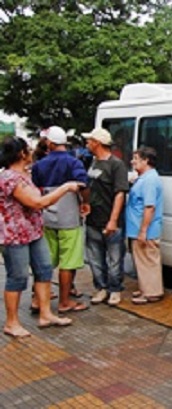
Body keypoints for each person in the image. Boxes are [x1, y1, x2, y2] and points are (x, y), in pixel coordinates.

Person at [0, 137, 80, 337]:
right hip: (14, 235)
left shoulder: (24, 174)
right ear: (21, 154)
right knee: (17, 277)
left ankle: (46, 314)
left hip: (33, 232)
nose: (31, 153)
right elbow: (37, 203)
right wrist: (65, 187)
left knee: (44, 269)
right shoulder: (10, 178)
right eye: (27, 150)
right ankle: (11, 323)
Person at [31, 126, 90, 314]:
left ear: (50, 143)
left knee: (46, 259)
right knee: (68, 262)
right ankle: (65, 301)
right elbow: (83, 185)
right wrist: (85, 202)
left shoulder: (39, 165)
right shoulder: (74, 163)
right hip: (69, 217)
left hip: (47, 216)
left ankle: (37, 298)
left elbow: (35, 190)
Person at [83, 128, 129, 306]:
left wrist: (113, 220)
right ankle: (101, 288)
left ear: (97, 143)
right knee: (95, 259)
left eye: (89, 141)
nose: (87, 144)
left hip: (110, 221)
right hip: (93, 219)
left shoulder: (116, 165)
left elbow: (120, 194)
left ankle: (115, 289)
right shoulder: (94, 162)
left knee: (114, 258)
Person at [126, 147, 164, 305]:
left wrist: (143, 231)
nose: (132, 161)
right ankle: (145, 288)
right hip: (138, 228)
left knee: (148, 261)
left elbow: (149, 207)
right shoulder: (145, 178)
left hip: (145, 229)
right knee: (143, 261)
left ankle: (151, 292)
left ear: (146, 161)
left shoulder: (149, 180)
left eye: (136, 158)